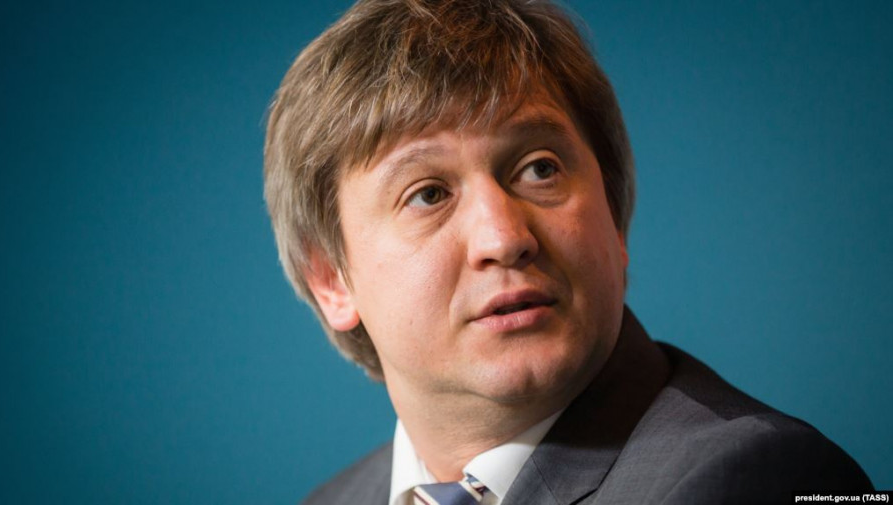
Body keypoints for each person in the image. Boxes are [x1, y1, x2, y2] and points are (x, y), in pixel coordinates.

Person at [263, 0, 872, 503]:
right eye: (428, 194)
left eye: (539, 168)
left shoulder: (762, 477)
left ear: (614, 213)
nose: (504, 238)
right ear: (331, 279)